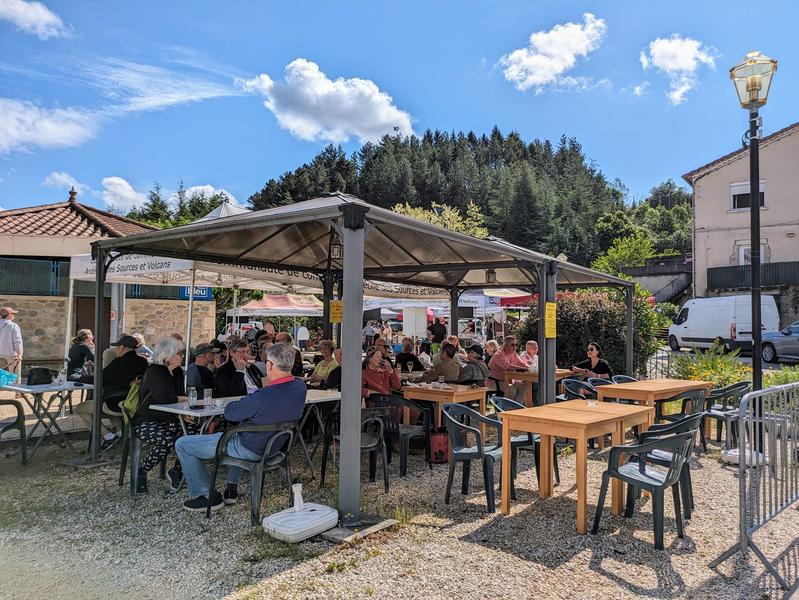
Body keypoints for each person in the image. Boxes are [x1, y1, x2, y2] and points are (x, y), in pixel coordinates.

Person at [175, 342, 307, 511]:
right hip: (276, 446)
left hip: (250, 448)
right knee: (239, 435)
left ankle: (206, 495)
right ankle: (231, 488)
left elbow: (230, 413)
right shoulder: (299, 387)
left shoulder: (263, 397)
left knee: (183, 444)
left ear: (269, 365)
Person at [132, 336, 197, 493]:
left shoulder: (178, 373)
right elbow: (163, 398)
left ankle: (176, 470)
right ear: (168, 354)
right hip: (147, 420)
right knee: (167, 440)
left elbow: (177, 399)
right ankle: (142, 471)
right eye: (179, 353)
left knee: (193, 434)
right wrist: (186, 398)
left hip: (170, 418)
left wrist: (184, 414)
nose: (182, 356)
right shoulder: (154, 371)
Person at [76, 334, 148, 448]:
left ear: (123, 347)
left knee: (81, 408)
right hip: (136, 402)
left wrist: (78, 378)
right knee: (109, 402)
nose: (116, 349)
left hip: (116, 403)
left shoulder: (118, 363)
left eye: (117, 347)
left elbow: (100, 379)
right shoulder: (143, 362)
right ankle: (119, 434)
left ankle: (109, 436)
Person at [487, 335, 528, 402]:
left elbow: (522, 364)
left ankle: (517, 408)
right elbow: (507, 367)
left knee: (524, 386)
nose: (514, 347)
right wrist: (524, 369)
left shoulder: (513, 353)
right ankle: (508, 409)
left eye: (515, 345)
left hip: (507, 381)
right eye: (512, 345)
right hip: (494, 381)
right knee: (512, 389)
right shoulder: (499, 355)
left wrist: (528, 366)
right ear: (505, 345)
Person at [0, 306, 23, 386]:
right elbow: (17, 341)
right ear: (9, 315)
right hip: (11, 355)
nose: (14, 315)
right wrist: (19, 354)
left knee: (1, 375)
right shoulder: (13, 326)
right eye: (13, 313)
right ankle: (18, 392)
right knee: (16, 374)